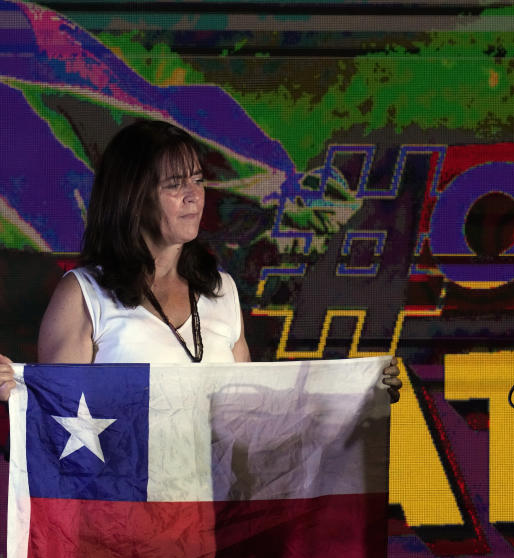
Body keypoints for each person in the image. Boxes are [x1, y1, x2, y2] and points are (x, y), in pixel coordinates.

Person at [0, 119, 401, 399]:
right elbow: (58, 416)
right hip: (127, 513)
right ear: (131, 198)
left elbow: (257, 412)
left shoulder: (221, 291)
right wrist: (17, 390)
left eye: (196, 180)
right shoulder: (84, 294)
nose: (194, 195)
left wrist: (359, 391)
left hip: (210, 511)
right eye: (175, 184)